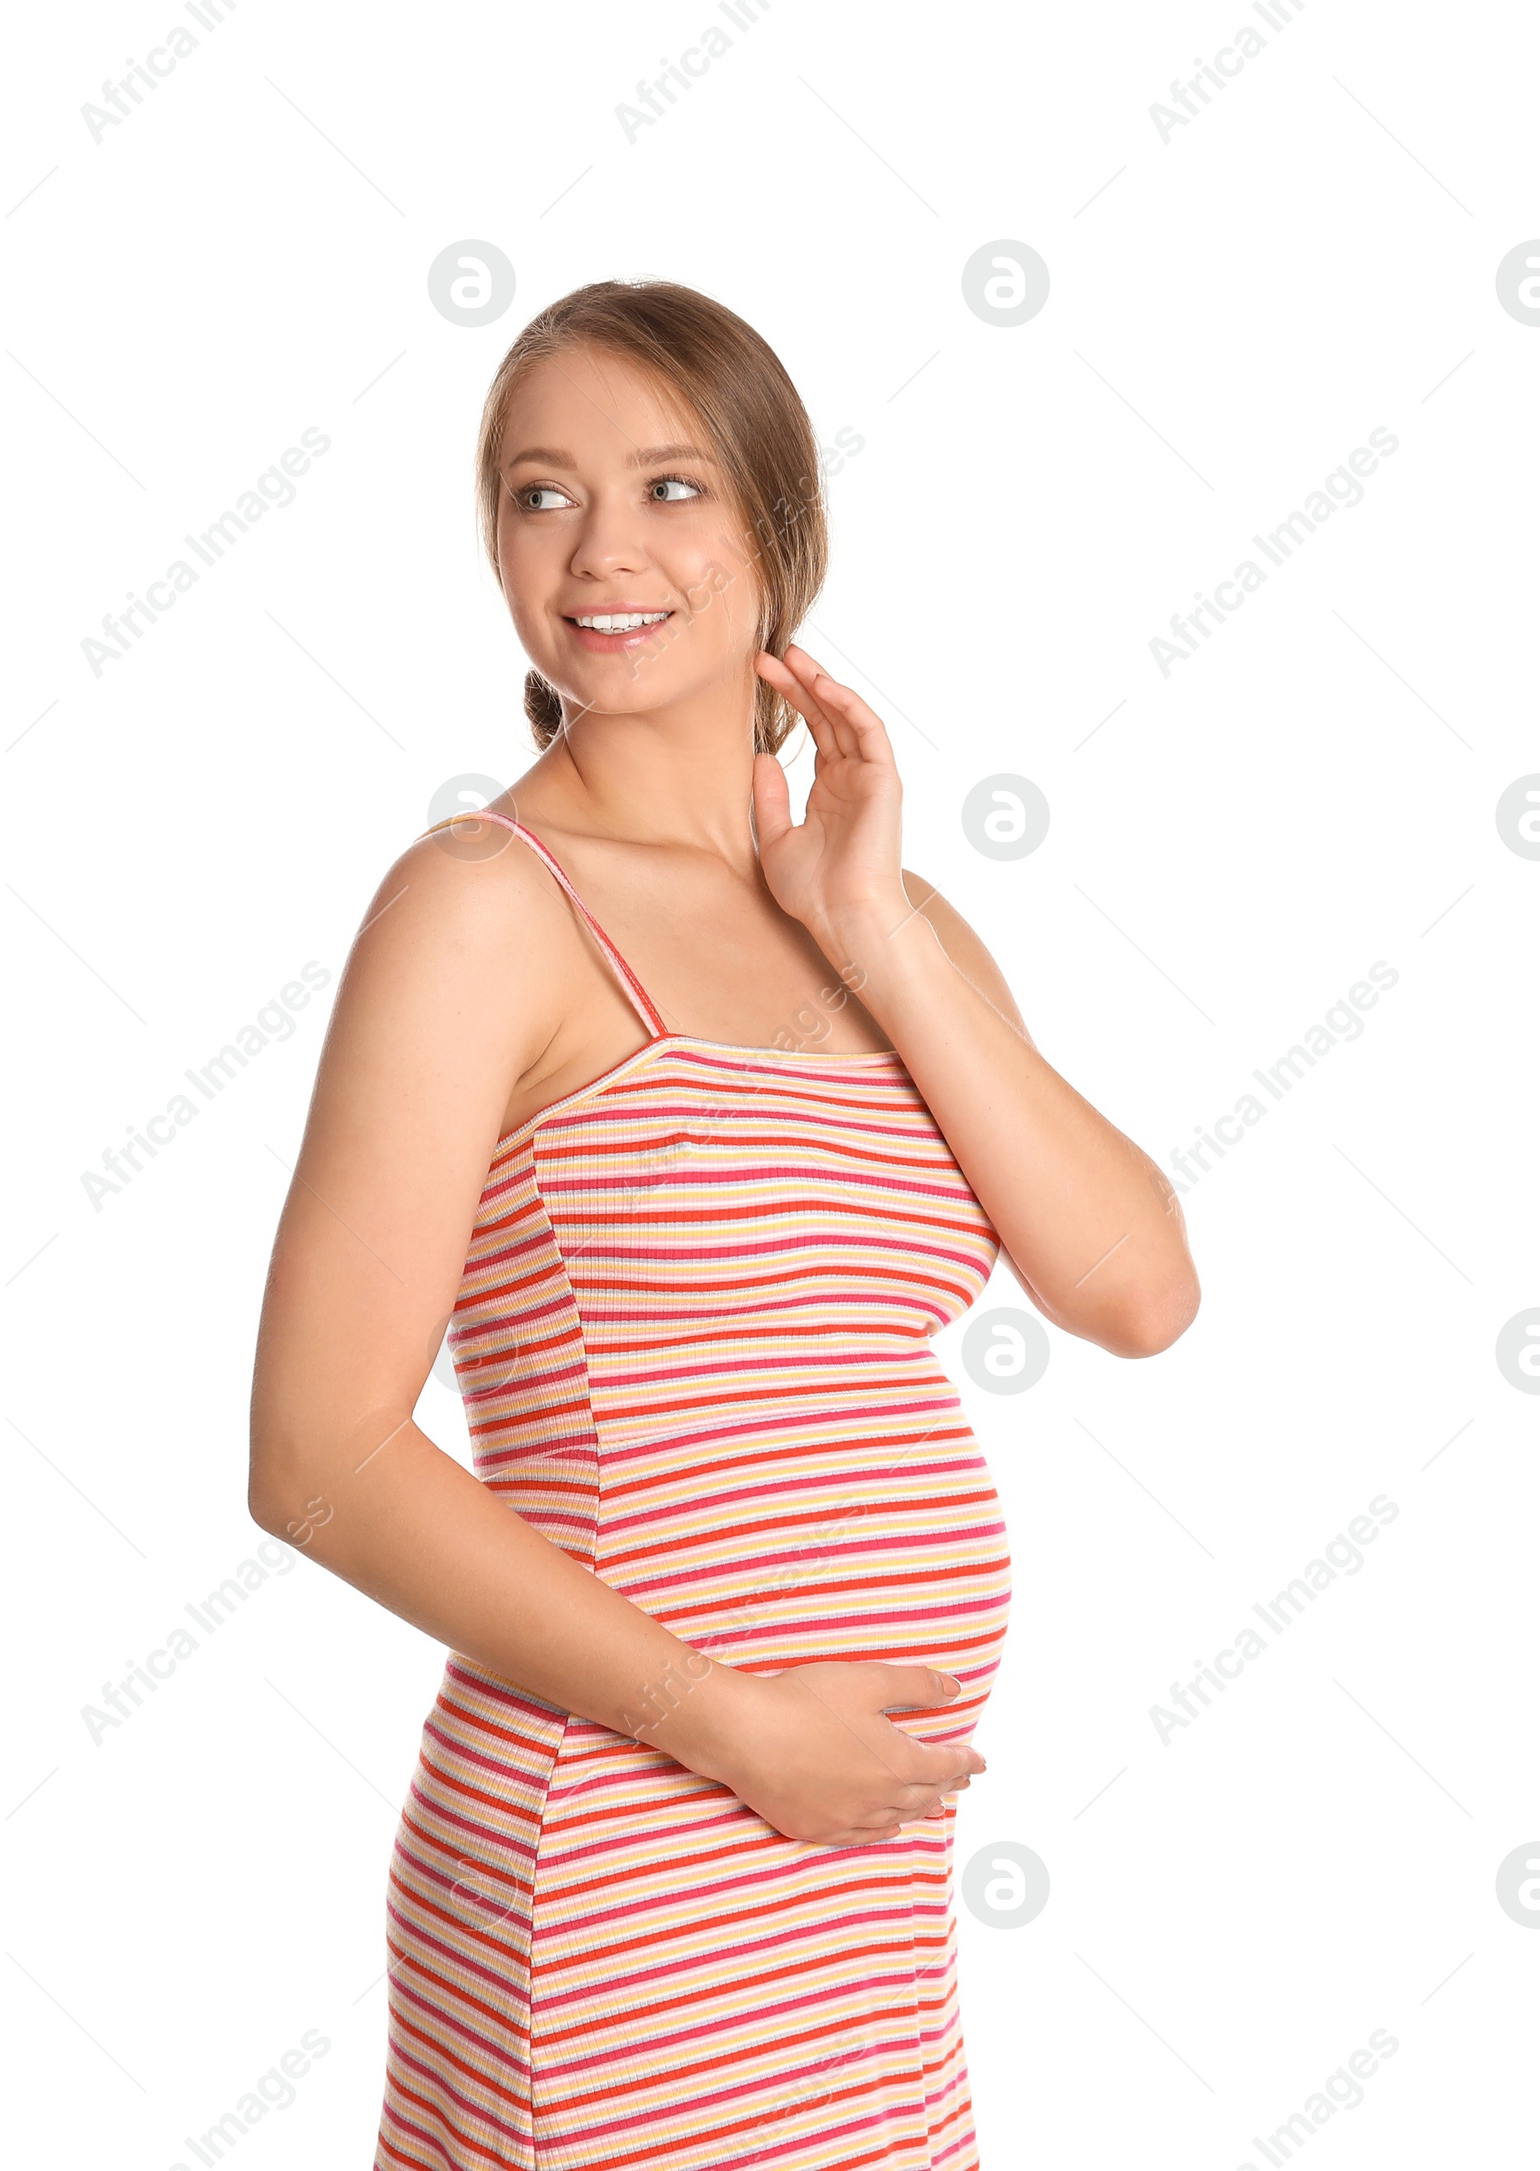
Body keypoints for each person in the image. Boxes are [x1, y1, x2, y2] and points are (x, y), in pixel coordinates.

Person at [248, 277, 1199, 2170]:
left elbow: (1136, 1291)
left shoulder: (887, 924)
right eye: (539, 495)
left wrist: (874, 929)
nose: (601, 550)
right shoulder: (481, 909)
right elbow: (318, 1455)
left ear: (780, 531)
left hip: (860, 1895)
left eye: (669, 487)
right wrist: (731, 1725)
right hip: (614, 1861)